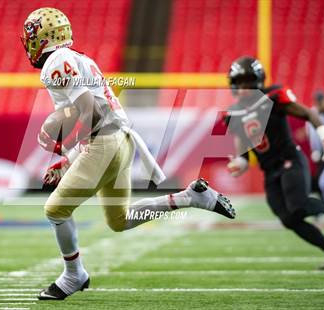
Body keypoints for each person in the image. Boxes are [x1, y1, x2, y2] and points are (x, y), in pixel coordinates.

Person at [21, 8, 235, 300]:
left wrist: (61, 141)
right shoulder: (78, 58)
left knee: (56, 210)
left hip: (105, 143)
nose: (28, 43)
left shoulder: (56, 63)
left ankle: (74, 275)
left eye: (32, 36)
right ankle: (189, 197)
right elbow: (95, 112)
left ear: (43, 38)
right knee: (119, 220)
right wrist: (69, 157)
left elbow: (90, 112)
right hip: (121, 141)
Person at [224, 56, 324, 270]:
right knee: (288, 219)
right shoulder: (233, 115)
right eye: (239, 82)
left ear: (258, 80)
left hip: (290, 160)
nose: (243, 87)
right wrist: (238, 164)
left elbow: (308, 114)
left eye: (247, 81)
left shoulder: (272, 97)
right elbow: (244, 156)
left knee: (297, 206)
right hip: (269, 172)